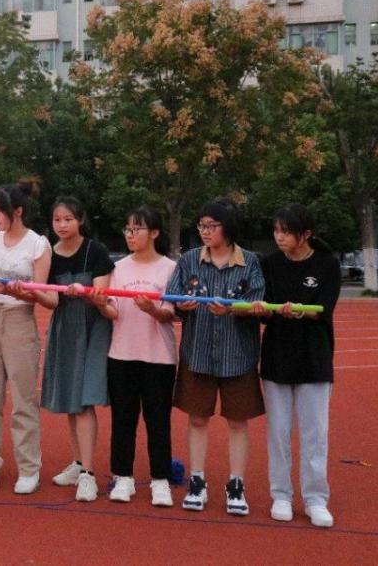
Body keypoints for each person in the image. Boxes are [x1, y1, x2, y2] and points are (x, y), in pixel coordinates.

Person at [167, 200, 265, 516]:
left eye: (211, 225)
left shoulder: (249, 262)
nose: (205, 231)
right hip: (198, 353)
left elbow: (258, 302)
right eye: (201, 226)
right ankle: (197, 481)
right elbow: (173, 298)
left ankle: (236, 485)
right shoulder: (189, 260)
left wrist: (235, 309)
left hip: (238, 355)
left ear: (228, 227)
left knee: (238, 421)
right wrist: (183, 306)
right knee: (197, 419)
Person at [255, 204, 341, 528]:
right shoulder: (269, 264)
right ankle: (281, 494)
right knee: (278, 432)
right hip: (277, 357)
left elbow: (325, 308)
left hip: (314, 358)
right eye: (276, 231)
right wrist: (263, 309)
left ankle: (316, 498)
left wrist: (302, 310)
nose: (279, 237)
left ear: (306, 234)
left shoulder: (327, 264)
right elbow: (264, 312)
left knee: (315, 434)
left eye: (286, 232)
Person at [85, 206, 177, 506]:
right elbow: (114, 312)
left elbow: (170, 314)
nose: (131, 234)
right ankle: (122, 476)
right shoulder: (119, 268)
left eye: (137, 229)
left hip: (159, 357)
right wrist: (101, 305)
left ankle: (160, 480)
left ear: (154, 233)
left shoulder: (169, 268)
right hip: (122, 355)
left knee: (158, 421)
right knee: (123, 420)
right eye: (128, 229)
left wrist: (153, 310)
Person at [25, 197, 113, 502]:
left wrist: (86, 292)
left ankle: (88, 474)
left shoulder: (95, 250)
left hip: (92, 329)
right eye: (57, 220)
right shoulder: (50, 254)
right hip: (65, 329)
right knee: (71, 400)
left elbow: (103, 293)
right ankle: (78, 464)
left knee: (84, 401)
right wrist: (31, 291)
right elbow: (51, 301)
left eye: (68, 219)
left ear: (80, 220)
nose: (62, 225)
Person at [0, 182, 49, 494]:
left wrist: (21, 291)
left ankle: (29, 468)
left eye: (0, 211)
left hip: (20, 320)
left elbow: (43, 293)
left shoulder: (38, 244)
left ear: (17, 211)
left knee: (23, 401)